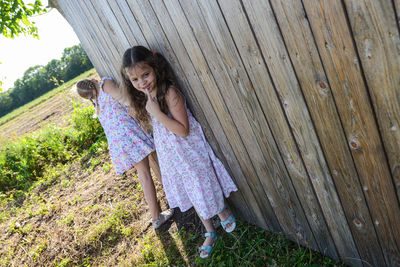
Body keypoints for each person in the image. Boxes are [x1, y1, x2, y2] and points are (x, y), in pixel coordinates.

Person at [120, 46, 238, 258]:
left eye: (145, 75)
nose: (142, 82)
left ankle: (222, 211)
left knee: (202, 182)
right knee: (189, 188)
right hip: (171, 154)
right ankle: (210, 230)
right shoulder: (148, 97)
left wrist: (155, 111)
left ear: (155, 68)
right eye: (135, 80)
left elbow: (183, 130)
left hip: (187, 149)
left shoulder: (169, 93)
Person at [75, 77, 173, 229]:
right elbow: (126, 101)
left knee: (146, 171)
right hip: (128, 136)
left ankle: (169, 199)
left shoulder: (96, 100)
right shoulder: (105, 85)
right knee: (145, 174)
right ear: (94, 80)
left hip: (119, 142)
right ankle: (156, 217)